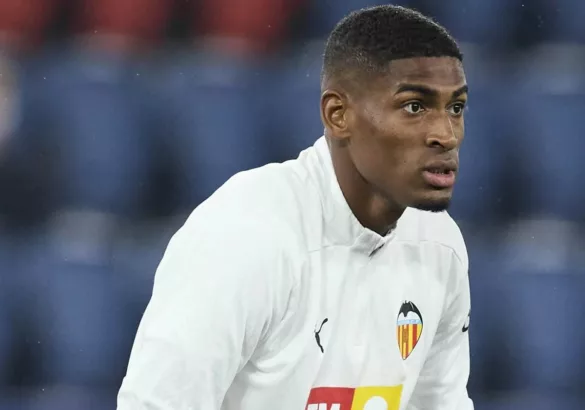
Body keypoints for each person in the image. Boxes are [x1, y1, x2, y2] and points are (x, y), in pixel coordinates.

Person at [117, 5, 473, 410]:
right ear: (338, 115)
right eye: (414, 106)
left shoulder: (439, 245)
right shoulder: (246, 235)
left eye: (456, 108)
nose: (446, 135)